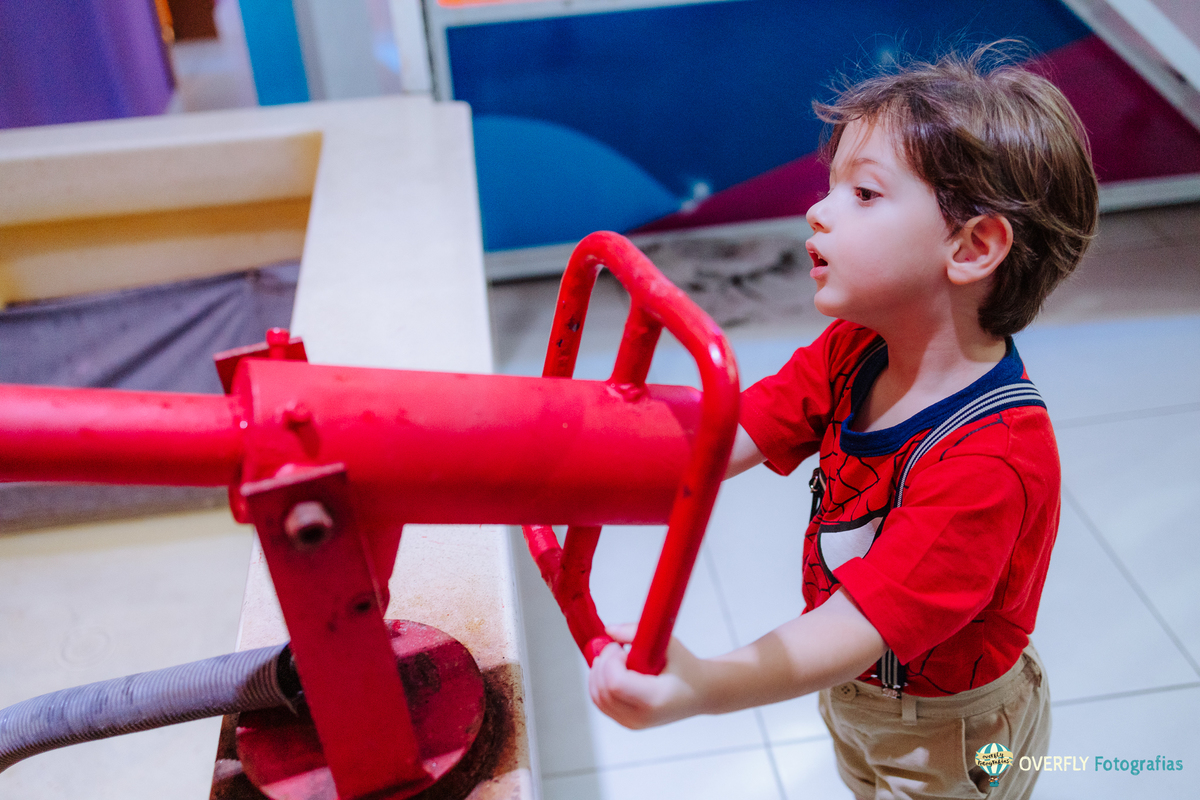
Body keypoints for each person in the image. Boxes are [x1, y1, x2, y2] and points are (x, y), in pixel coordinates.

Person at [588, 43, 1098, 799]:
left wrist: (704, 686)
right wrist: (579, 463)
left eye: (862, 194)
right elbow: (731, 432)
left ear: (972, 246)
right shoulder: (854, 349)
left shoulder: (993, 461)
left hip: (950, 731)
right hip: (860, 692)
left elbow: (860, 622)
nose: (816, 211)